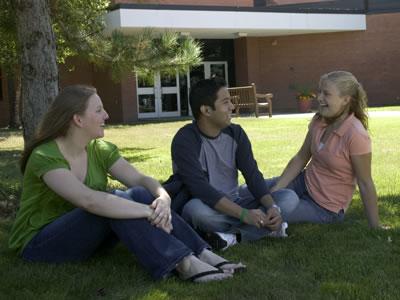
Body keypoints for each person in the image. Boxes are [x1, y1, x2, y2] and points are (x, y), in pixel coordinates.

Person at [8, 85, 245, 283]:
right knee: (115, 200)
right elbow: (88, 201)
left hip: (87, 237)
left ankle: (202, 252)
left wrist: (162, 198)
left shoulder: (98, 149)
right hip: (40, 244)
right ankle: (183, 263)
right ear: (78, 119)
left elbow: (140, 179)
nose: (107, 115)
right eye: (99, 110)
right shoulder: (45, 156)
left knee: (140, 192)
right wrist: (147, 211)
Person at [171, 78, 298, 251]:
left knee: (289, 198)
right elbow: (200, 189)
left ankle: (230, 237)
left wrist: (272, 207)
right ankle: (261, 230)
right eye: (225, 102)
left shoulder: (236, 133)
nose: (232, 107)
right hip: (207, 205)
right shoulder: (185, 140)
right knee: (195, 211)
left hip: (236, 201)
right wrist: (244, 215)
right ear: (206, 110)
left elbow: (252, 175)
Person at [269, 71, 380, 228]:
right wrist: (276, 189)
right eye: (320, 91)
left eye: (326, 94)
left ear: (346, 100)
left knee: (276, 210)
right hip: (303, 183)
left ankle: (231, 230)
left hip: (325, 208)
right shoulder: (320, 120)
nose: (319, 97)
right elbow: (301, 158)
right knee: (256, 191)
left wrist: (375, 226)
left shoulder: (356, 134)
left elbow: (365, 182)